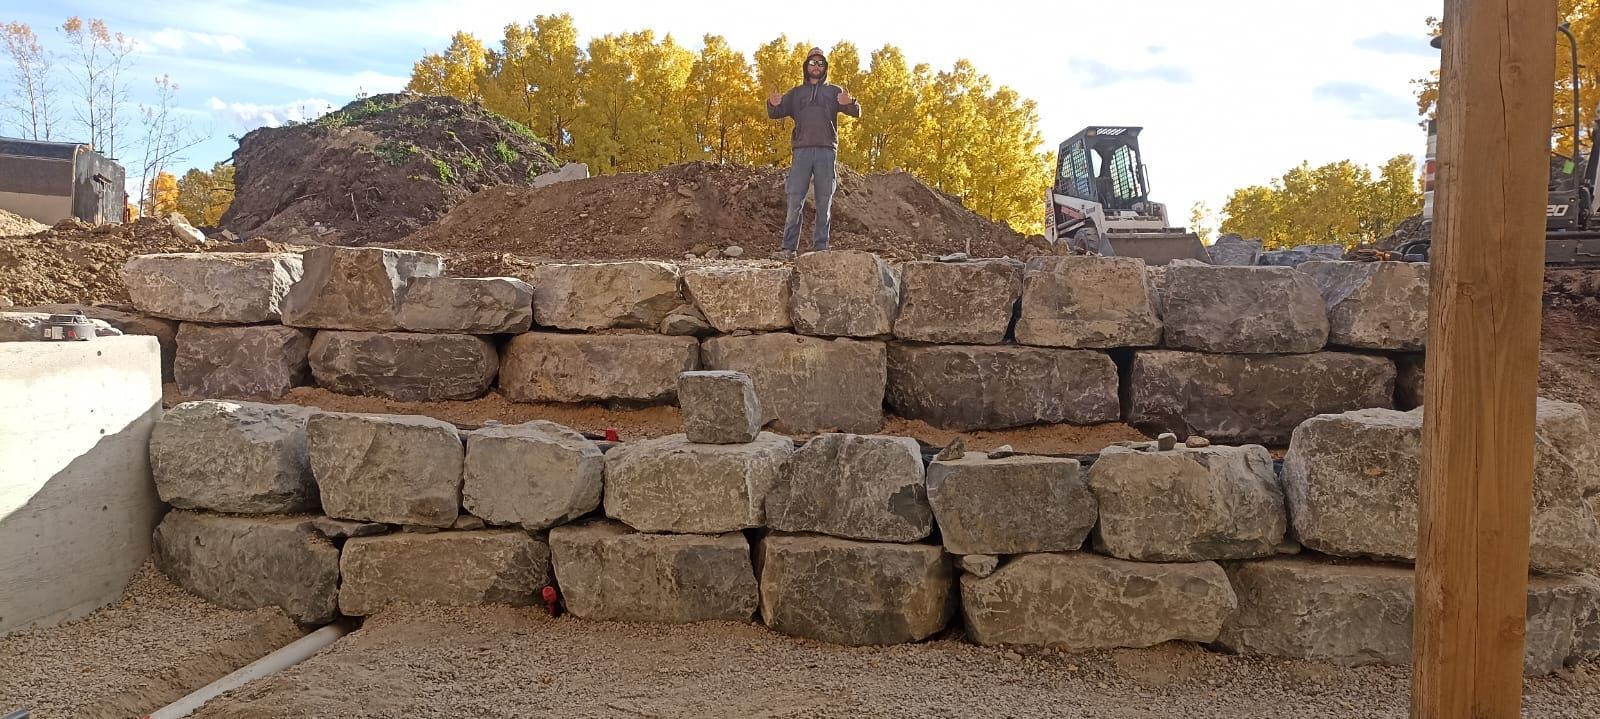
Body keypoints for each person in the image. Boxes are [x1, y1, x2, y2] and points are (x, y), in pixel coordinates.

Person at [766, 47, 861, 259]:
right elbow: (777, 112)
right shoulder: (796, 93)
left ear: (825, 67)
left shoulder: (834, 91)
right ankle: (788, 248)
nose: (816, 66)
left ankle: (820, 249)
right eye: (812, 62)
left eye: (820, 63)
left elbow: (856, 112)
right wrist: (772, 104)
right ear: (806, 66)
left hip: (826, 151)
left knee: (824, 199)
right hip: (801, 151)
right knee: (794, 199)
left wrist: (851, 103)